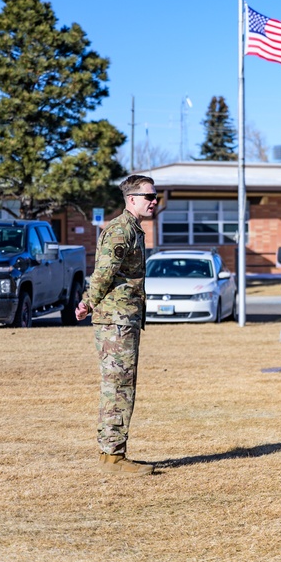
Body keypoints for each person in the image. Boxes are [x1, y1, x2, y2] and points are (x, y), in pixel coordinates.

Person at [75, 174, 157, 476]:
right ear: (132, 199)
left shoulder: (133, 229)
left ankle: (113, 452)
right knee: (118, 386)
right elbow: (104, 272)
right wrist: (87, 302)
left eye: (155, 196)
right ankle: (112, 456)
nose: (154, 202)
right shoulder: (121, 230)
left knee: (122, 384)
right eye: (149, 197)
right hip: (116, 320)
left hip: (125, 317)